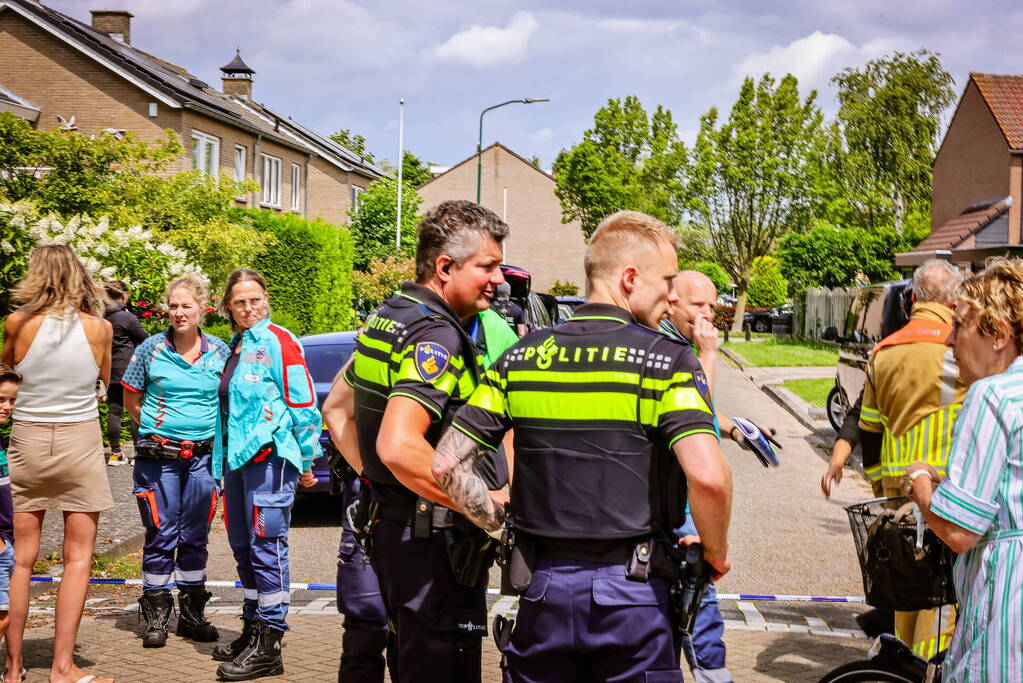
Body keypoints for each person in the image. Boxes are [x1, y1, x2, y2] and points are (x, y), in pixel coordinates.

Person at [433, 210, 733, 681]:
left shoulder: (520, 357)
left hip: (542, 592)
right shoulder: (667, 360)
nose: (673, 294)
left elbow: (446, 464)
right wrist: (715, 551)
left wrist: (501, 524)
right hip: (635, 597)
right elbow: (709, 477)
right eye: (668, 279)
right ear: (630, 278)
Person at [328, 199, 511, 682]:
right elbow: (399, 444)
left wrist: (379, 481)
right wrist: (485, 512)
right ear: (445, 267)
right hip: (435, 548)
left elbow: (337, 411)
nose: (500, 279)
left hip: (396, 533)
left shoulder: (390, 315)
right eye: (488, 266)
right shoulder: (437, 335)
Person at [0, 244, 114, 683]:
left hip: (27, 440)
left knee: (22, 559)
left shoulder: (17, 323)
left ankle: (13, 668)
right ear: (78, 275)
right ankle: (63, 667)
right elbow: (104, 381)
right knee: (78, 557)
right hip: (79, 439)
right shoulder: (99, 329)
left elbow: (8, 373)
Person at [906, 258, 1023, 680]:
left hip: (1006, 606)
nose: (950, 340)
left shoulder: (992, 395)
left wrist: (919, 481)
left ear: (999, 335)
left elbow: (958, 532)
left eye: (960, 325)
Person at [210, 269, 321, 681]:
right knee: (242, 546)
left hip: (272, 459)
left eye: (254, 299)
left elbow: (304, 402)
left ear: (265, 299)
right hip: (236, 463)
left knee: (266, 546)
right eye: (239, 302)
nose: (248, 308)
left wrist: (308, 461)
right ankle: (252, 627)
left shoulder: (279, 340)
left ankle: (270, 643)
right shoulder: (235, 346)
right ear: (229, 307)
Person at [857, 258, 965, 657]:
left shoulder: (883, 351)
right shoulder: (961, 345)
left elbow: (869, 427)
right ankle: (927, 668)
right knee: (944, 605)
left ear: (914, 298)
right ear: (954, 300)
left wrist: (876, 482)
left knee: (905, 590)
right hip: (947, 491)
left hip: (896, 494)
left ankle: (898, 666)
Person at [120, 275, 231, 648]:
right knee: (161, 534)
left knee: (195, 537)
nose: (179, 313)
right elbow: (131, 398)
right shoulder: (150, 349)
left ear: (202, 308)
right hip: (158, 460)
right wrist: (157, 430)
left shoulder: (219, 351)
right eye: (173, 306)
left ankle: (192, 615)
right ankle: (155, 616)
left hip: (203, 459)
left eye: (186, 306)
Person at [660, 270, 736, 683]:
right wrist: (708, 355)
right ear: (671, 302)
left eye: (712, 304)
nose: (709, 313)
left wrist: (735, 428)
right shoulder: (670, 346)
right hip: (680, 496)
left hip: (682, 493)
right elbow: (696, 407)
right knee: (697, 593)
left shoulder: (679, 344)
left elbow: (701, 411)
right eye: (698, 305)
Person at [102, 280, 149, 466]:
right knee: (134, 409)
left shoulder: (101, 318)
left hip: (109, 369)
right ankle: (139, 453)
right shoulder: (126, 317)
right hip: (129, 370)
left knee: (114, 411)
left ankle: (115, 453)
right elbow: (145, 338)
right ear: (123, 296)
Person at [0, 366, 21, 681]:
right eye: (1, 399)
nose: (6, 406)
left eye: (12, 401)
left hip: (7, 540)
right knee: (3, 614)